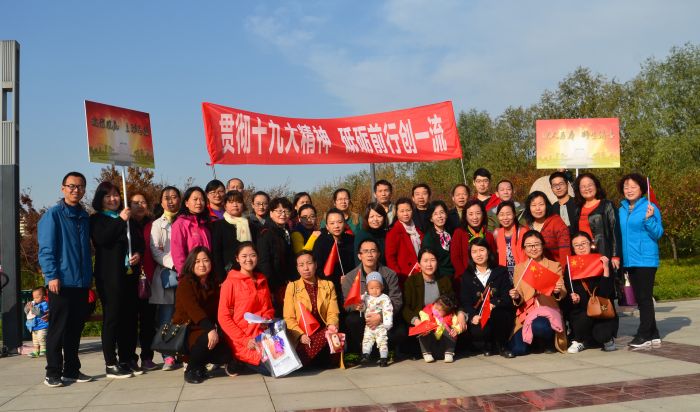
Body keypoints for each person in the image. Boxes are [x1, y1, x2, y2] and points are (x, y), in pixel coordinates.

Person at [38, 172, 94, 387]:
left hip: (81, 282)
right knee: (57, 329)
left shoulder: (84, 216)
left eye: (80, 186)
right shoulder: (53, 215)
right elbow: (46, 249)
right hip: (60, 282)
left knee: (75, 329)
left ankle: (72, 370)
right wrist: (51, 275)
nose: (75, 190)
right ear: (63, 188)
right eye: (71, 186)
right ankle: (52, 372)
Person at [90, 181, 144, 378]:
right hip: (109, 277)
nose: (113, 199)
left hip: (129, 275)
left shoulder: (128, 219)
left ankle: (127, 358)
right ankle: (110, 363)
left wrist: (138, 253)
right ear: (100, 199)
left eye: (115, 195)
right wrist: (121, 220)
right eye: (108, 196)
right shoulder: (97, 219)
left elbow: (139, 242)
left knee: (129, 318)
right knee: (112, 318)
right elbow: (103, 239)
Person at [172, 247, 233, 384]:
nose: (202, 265)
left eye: (205, 260)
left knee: (227, 354)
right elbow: (194, 310)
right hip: (188, 329)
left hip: (205, 328)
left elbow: (219, 310)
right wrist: (211, 329)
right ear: (191, 264)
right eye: (197, 261)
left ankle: (200, 365)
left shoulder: (213, 283)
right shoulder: (185, 283)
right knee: (207, 338)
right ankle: (191, 369)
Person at [618, 173, 664, 348]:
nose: (629, 190)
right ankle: (653, 333)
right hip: (629, 260)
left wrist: (648, 219)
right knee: (640, 297)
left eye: (633, 187)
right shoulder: (621, 209)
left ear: (641, 189)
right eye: (626, 187)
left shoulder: (650, 207)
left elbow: (658, 233)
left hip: (646, 259)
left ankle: (643, 335)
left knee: (644, 298)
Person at [218, 242, 275, 375]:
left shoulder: (262, 280)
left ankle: (242, 364)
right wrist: (245, 340)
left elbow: (269, 308)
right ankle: (237, 361)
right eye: (244, 256)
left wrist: (267, 318)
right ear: (237, 259)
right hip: (243, 339)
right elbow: (223, 317)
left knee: (286, 363)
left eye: (252, 255)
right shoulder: (230, 283)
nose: (248, 259)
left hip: (264, 335)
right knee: (273, 369)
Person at [508, 230, 568, 356]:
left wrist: (557, 291)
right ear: (524, 248)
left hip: (547, 310)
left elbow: (562, 290)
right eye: (529, 245)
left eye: (536, 244)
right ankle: (535, 343)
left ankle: (548, 341)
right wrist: (517, 296)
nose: (533, 248)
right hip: (527, 312)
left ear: (543, 245)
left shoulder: (554, 265)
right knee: (518, 350)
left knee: (540, 326)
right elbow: (519, 293)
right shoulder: (520, 268)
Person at [342, 239, 403, 356]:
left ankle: (384, 349)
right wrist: (356, 306)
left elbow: (396, 300)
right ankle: (364, 350)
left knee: (401, 331)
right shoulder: (350, 277)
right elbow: (346, 304)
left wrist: (380, 316)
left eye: (373, 251)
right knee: (352, 320)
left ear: (378, 254)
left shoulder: (389, 274)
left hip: (385, 316)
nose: (369, 254)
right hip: (363, 317)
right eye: (365, 251)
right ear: (359, 256)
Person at [403, 248, 466, 359]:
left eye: (432, 260)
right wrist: (417, 322)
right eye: (425, 261)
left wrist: (461, 314)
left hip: (443, 321)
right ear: (419, 264)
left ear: (437, 262)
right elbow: (406, 308)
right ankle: (427, 352)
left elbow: (454, 302)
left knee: (456, 326)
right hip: (423, 322)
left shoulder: (444, 280)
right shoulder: (411, 281)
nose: (429, 264)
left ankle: (448, 352)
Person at [283, 252, 341, 367]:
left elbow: (333, 312)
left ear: (315, 264)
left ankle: (299, 362)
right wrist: (300, 335)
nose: (306, 268)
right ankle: (300, 362)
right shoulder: (292, 287)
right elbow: (289, 318)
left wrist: (331, 326)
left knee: (328, 333)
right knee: (308, 352)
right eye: (301, 265)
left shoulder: (328, 285)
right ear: (297, 268)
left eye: (309, 263)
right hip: (303, 336)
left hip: (324, 333)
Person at [460, 238, 515, 358]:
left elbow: (506, 297)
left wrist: (494, 304)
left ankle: (502, 346)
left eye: (482, 250)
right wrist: (472, 315)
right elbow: (465, 301)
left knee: (499, 314)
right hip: (479, 315)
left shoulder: (500, 271)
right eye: (474, 251)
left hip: (498, 313)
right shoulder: (467, 275)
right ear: (470, 255)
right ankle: (487, 345)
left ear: (488, 251)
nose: (478, 254)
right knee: (478, 332)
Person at [564, 232, 618, 353]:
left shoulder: (602, 261)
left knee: (603, 335)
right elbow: (567, 291)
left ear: (591, 244)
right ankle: (580, 340)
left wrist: (606, 269)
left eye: (584, 243)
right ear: (573, 248)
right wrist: (572, 296)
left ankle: (606, 339)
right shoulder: (570, 266)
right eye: (577, 245)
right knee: (581, 320)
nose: (581, 247)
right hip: (582, 311)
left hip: (601, 310)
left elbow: (606, 293)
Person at [148, 186, 181, 371]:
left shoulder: (185, 220)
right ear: (161, 202)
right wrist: (175, 264)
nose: (170, 201)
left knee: (184, 314)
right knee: (166, 316)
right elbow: (155, 250)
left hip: (186, 273)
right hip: (167, 274)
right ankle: (168, 355)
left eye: (174, 197)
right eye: (166, 197)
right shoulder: (157, 224)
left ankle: (182, 351)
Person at [128, 191, 157, 371]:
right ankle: (131, 358)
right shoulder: (125, 224)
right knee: (131, 321)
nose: (140, 206)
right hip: (130, 278)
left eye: (143, 202)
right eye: (135, 202)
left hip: (149, 277)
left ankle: (147, 357)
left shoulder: (153, 224)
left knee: (148, 321)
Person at [257, 197, 298, 316]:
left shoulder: (285, 230)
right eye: (279, 211)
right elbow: (264, 262)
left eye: (286, 211)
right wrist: (270, 286)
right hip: (274, 284)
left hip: (286, 282)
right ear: (271, 213)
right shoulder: (266, 233)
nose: (283, 214)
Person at [572, 173, 620, 269]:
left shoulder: (607, 205)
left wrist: (615, 255)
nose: (587, 188)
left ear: (596, 186)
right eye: (583, 186)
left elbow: (615, 231)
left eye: (590, 185)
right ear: (579, 190)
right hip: (584, 255)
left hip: (603, 253)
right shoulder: (578, 209)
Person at [451, 200, 496, 294]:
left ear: (483, 214)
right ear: (465, 216)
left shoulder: (488, 236)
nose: (475, 217)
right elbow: (455, 258)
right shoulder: (459, 233)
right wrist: (466, 277)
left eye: (478, 213)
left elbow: (493, 257)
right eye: (470, 214)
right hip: (464, 280)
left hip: (486, 281)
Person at [312, 208, 355, 306]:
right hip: (329, 288)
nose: (336, 226)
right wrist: (337, 279)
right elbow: (318, 269)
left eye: (339, 222)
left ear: (344, 223)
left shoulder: (351, 240)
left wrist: (349, 277)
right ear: (327, 226)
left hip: (351, 285)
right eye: (332, 223)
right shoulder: (321, 243)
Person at [523, 191, 570, 268]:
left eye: (541, 204)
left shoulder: (557, 223)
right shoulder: (527, 227)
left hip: (556, 268)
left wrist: (563, 271)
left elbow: (565, 250)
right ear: (529, 208)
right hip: (535, 269)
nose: (538, 208)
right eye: (533, 205)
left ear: (546, 206)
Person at [211, 190, 250, 283]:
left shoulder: (250, 225)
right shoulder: (218, 225)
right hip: (227, 273)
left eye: (238, 202)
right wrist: (221, 277)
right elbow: (216, 253)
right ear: (225, 206)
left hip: (249, 272)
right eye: (231, 202)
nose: (235, 205)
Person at [170, 186, 211, 273]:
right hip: (190, 273)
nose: (199, 202)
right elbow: (178, 254)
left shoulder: (205, 223)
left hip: (206, 273)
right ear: (186, 203)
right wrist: (184, 275)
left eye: (202, 200)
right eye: (195, 199)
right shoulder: (180, 224)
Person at [385, 197, 424, 288]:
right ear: (397, 213)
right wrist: (399, 276)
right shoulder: (394, 232)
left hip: (421, 273)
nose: (405, 214)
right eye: (402, 211)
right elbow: (390, 258)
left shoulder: (418, 231)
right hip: (405, 276)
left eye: (408, 210)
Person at [415, 294, 464, 363]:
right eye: (435, 307)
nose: (435, 310)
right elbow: (424, 321)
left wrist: (456, 330)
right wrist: (426, 328)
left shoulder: (451, 316)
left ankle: (449, 354)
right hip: (431, 345)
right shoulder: (426, 312)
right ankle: (427, 354)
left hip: (443, 347)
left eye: (439, 310)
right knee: (424, 330)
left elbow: (458, 325)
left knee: (450, 329)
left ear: (446, 312)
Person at [359, 272, 393, 367]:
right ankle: (365, 354)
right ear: (367, 288)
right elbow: (363, 308)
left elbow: (388, 310)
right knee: (367, 339)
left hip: (380, 325)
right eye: (372, 288)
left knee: (382, 340)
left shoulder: (384, 298)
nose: (374, 291)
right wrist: (361, 307)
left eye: (377, 288)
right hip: (369, 325)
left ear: (382, 287)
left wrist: (387, 323)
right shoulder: (366, 297)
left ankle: (383, 358)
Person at [493, 201, 529, 279]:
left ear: (514, 214)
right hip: (504, 276)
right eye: (501, 215)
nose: (505, 218)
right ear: (497, 216)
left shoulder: (523, 232)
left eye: (508, 214)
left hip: (522, 275)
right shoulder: (498, 233)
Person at [421, 200, 454, 278]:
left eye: (442, 212)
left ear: (446, 215)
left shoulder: (451, 232)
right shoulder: (429, 238)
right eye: (435, 214)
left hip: (454, 275)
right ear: (431, 219)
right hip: (440, 277)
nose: (439, 216)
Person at [24, 286, 49, 358]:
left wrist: (32, 308)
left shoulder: (44, 304)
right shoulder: (34, 304)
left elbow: (39, 313)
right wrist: (27, 307)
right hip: (34, 326)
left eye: (37, 297)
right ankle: (36, 351)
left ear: (44, 297)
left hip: (42, 326)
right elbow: (26, 312)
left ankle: (44, 350)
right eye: (34, 297)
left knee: (41, 338)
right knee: (35, 340)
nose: (35, 299)